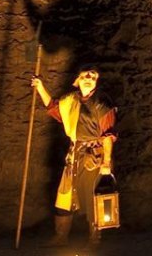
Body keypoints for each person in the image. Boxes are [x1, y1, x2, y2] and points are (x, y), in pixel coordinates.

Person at [32, 66, 117, 247]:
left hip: (94, 157)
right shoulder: (71, 100)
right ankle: (60, 237)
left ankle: (94, 239)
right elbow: (55, 109)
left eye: (93, 76)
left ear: (96, 80)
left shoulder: (101, 102)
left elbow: (108, 134)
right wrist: (40, 87)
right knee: (65, 196)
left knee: (93, 198)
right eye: (85, 75)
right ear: (78, 79)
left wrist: (106, 163)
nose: (89, 78)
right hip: (74, 156)